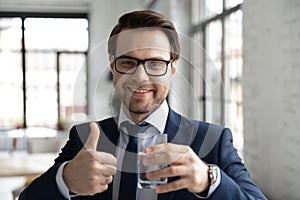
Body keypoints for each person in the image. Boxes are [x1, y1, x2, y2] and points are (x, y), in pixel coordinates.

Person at [19, 10, 267, 200]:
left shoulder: (212, 139)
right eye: (127, 62)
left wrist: (209, 179)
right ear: (112, 65)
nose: (140, 78)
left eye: (156, 64)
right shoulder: (84, 139)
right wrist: (66, 179)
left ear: (173, 67)